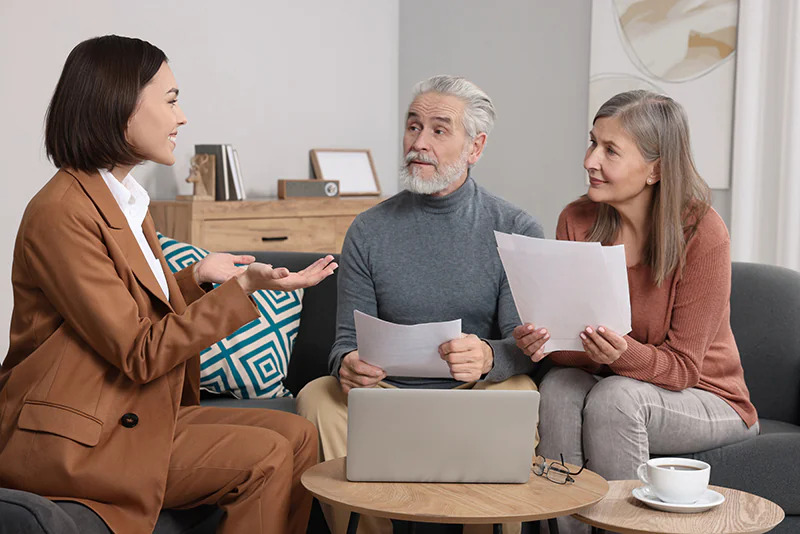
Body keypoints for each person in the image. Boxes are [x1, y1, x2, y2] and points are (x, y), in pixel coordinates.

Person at [0, 35, 338, 534]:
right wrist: (241, 290)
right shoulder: (61, 213)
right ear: (119, 105)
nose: (182, 118)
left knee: (300, 434)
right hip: (76, 438)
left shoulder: (124, 200)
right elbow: (139, 350)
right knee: (266, 453)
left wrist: (196, 278)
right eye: (172, 100)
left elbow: (122, 306)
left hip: (125, 413)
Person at [297, 75, 543, 534]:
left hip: (474, 395)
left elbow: (523, 344)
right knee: (317, 397)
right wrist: (346, 365)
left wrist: (490, 355)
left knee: (521, 394)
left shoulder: (515, 227)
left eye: (438, 130)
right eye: (413, 127)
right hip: (384, 395)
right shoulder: (368, 230)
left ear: (476, 147)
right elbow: (344, 343)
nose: (418, 142)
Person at [513, 90, 758, 533]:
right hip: (618, 382)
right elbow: (578, 356)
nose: (590, 160)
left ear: (656, 168)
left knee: (615, 398)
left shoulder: (702, 233)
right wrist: (547, 343)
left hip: (710, 396)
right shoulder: (578, 220)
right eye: (592, 143)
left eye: (610, 150)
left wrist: (618, 353)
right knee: (560, 388)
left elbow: (683, 369)